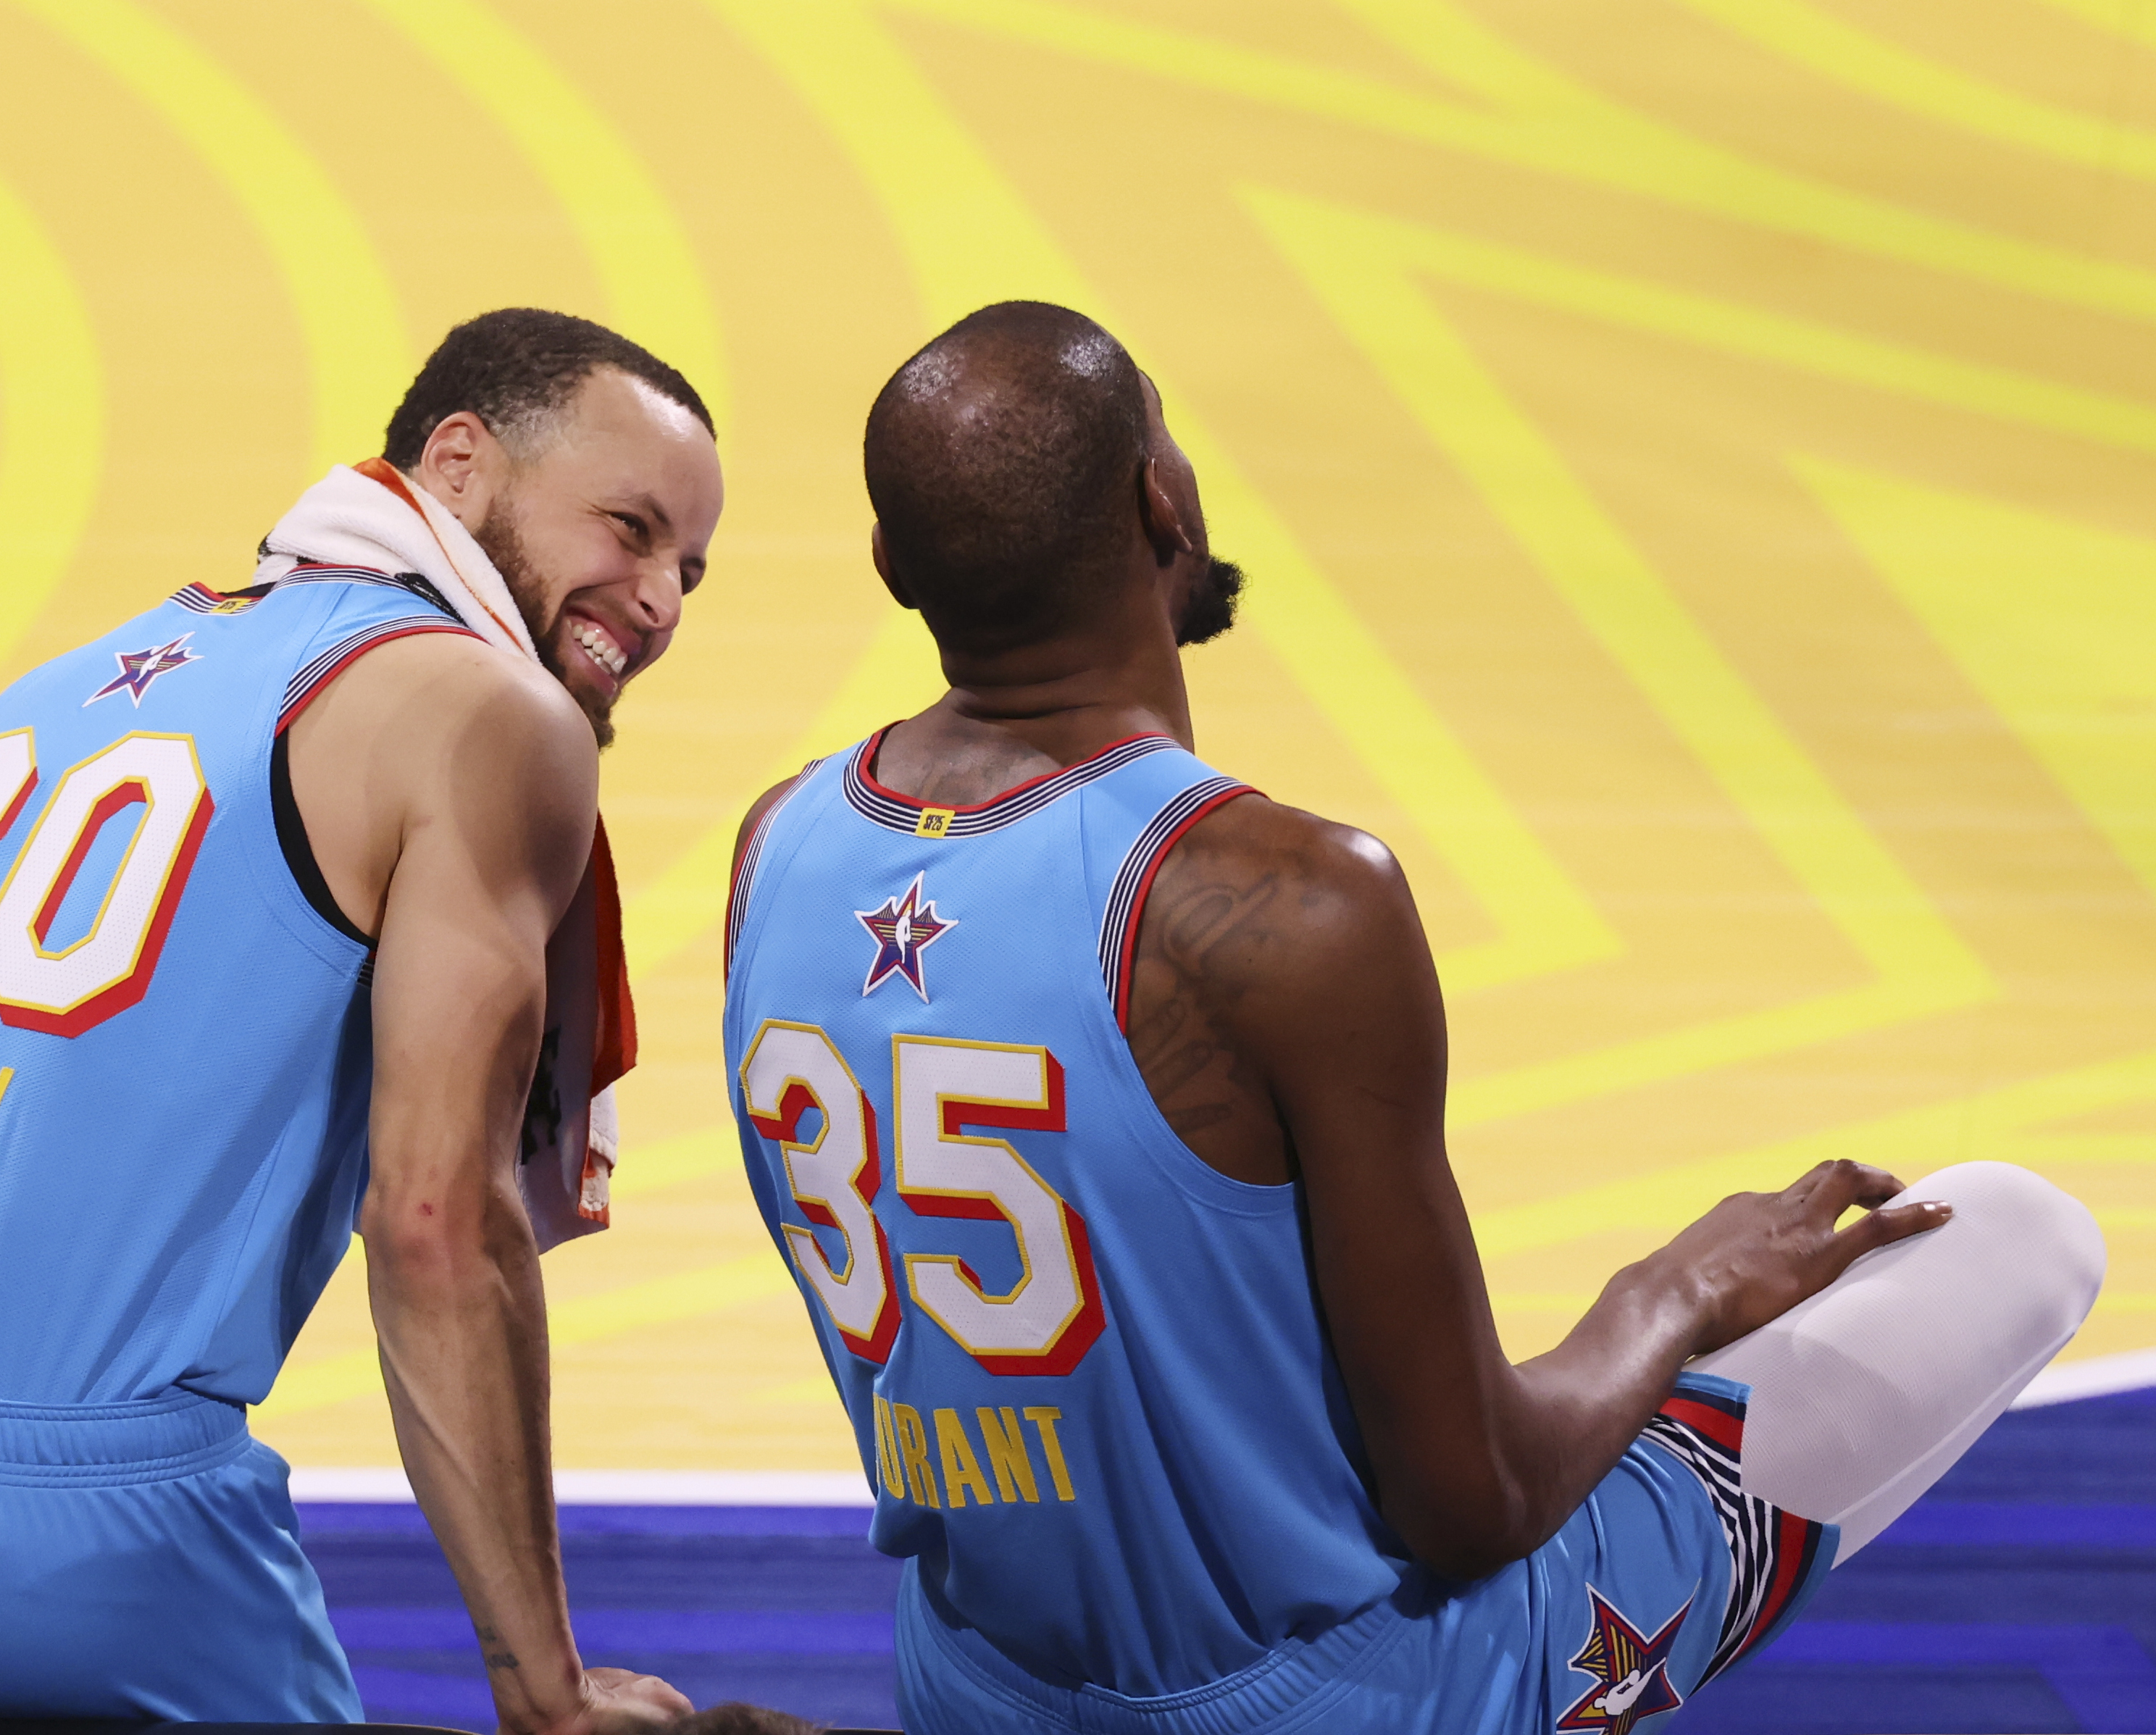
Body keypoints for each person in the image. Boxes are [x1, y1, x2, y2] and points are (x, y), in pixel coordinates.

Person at [720, 301, 2107, 1735]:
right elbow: (1472, 1501)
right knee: (2019, 1227)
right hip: (1358, 1696)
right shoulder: (1289, 899)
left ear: (889, 565)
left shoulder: (776, 851)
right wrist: (1674, 1286)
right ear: (1162, 500)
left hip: (975, 1685)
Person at [0, 308, 722, 1733]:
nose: (660, 597)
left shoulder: (83, 677)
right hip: (64, 1523)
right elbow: (432, 1221)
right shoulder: (487, 714)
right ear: (459, 462)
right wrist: (541, 1687)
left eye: (691, 570)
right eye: (629, 526)